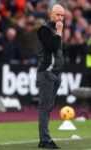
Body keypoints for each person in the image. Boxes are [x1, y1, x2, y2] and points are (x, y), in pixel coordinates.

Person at [36, 4, 65, 149]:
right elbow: (53, 47)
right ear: (51, 15)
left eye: (62, 15)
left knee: (49, 107)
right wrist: (59, 32)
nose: (60, 18)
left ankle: (45, 138)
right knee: (45, 107)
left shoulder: (56, 31)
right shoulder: (44, 30)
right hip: (47, 72)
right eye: (58, 14)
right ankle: (44, 140)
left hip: (55, 74)